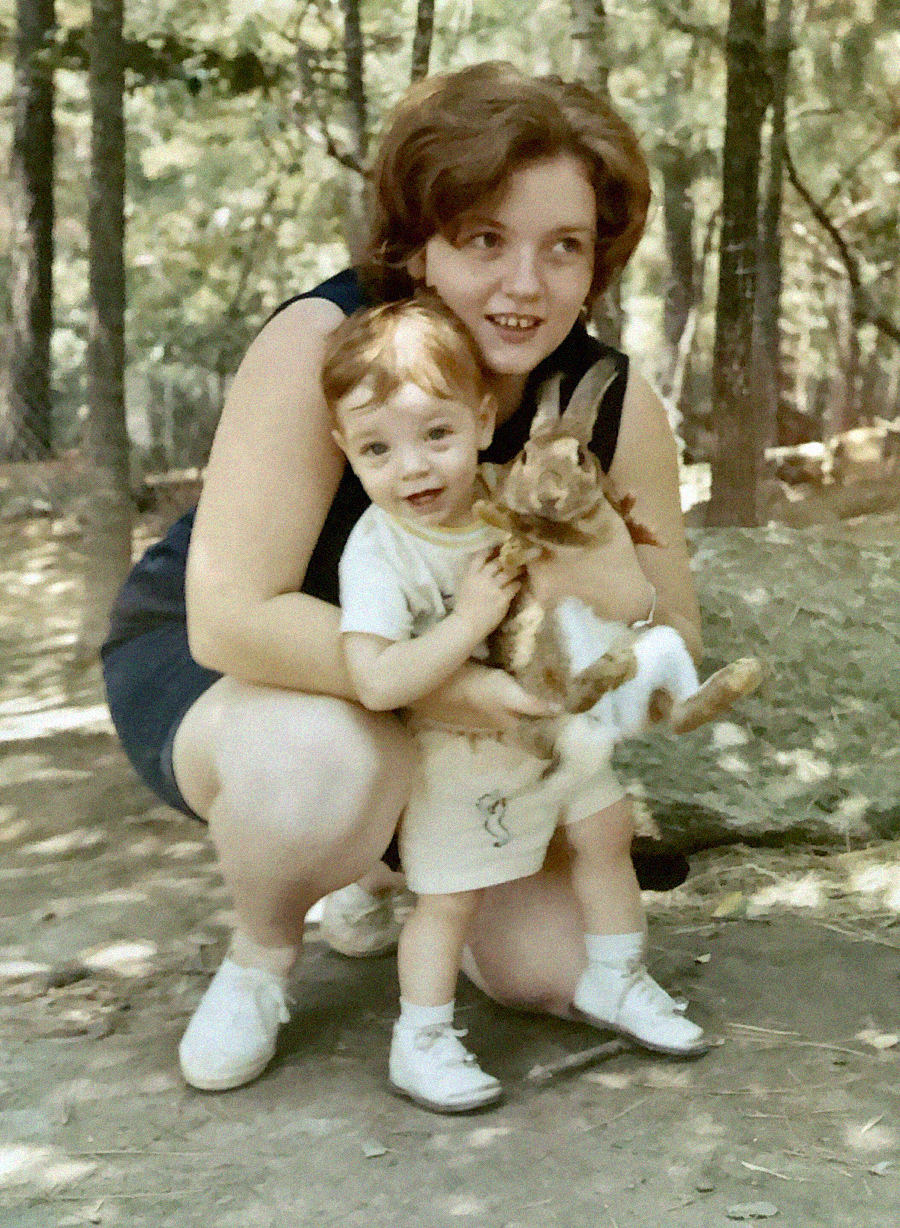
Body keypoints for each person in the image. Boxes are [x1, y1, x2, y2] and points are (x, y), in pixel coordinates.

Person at [101, 60, 703, 1094]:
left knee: (552, 971)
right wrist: (453, 687)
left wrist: (606, 579)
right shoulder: (325, 342)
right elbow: (230, 618)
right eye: (485, 239)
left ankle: (385, 868)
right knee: (329, 766)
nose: (526, 285)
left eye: (563, 246)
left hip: (465, 717)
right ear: (419, 245)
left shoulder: (611, 400)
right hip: (258, 681)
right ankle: (263, 952)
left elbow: (675, 632)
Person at [322, 296, 708, 1113]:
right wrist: (467, 622)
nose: (413, 468)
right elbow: (377, 680)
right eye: (377, 448)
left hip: (551, 730)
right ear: (344, 449)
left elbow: (596, 578)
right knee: (449, 900)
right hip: (458, 751)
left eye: (436, 434)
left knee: (607, 829)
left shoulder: (510, 496)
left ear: (481, 420)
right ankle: (421, 1038)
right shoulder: (379, 551)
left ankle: (616, 976)